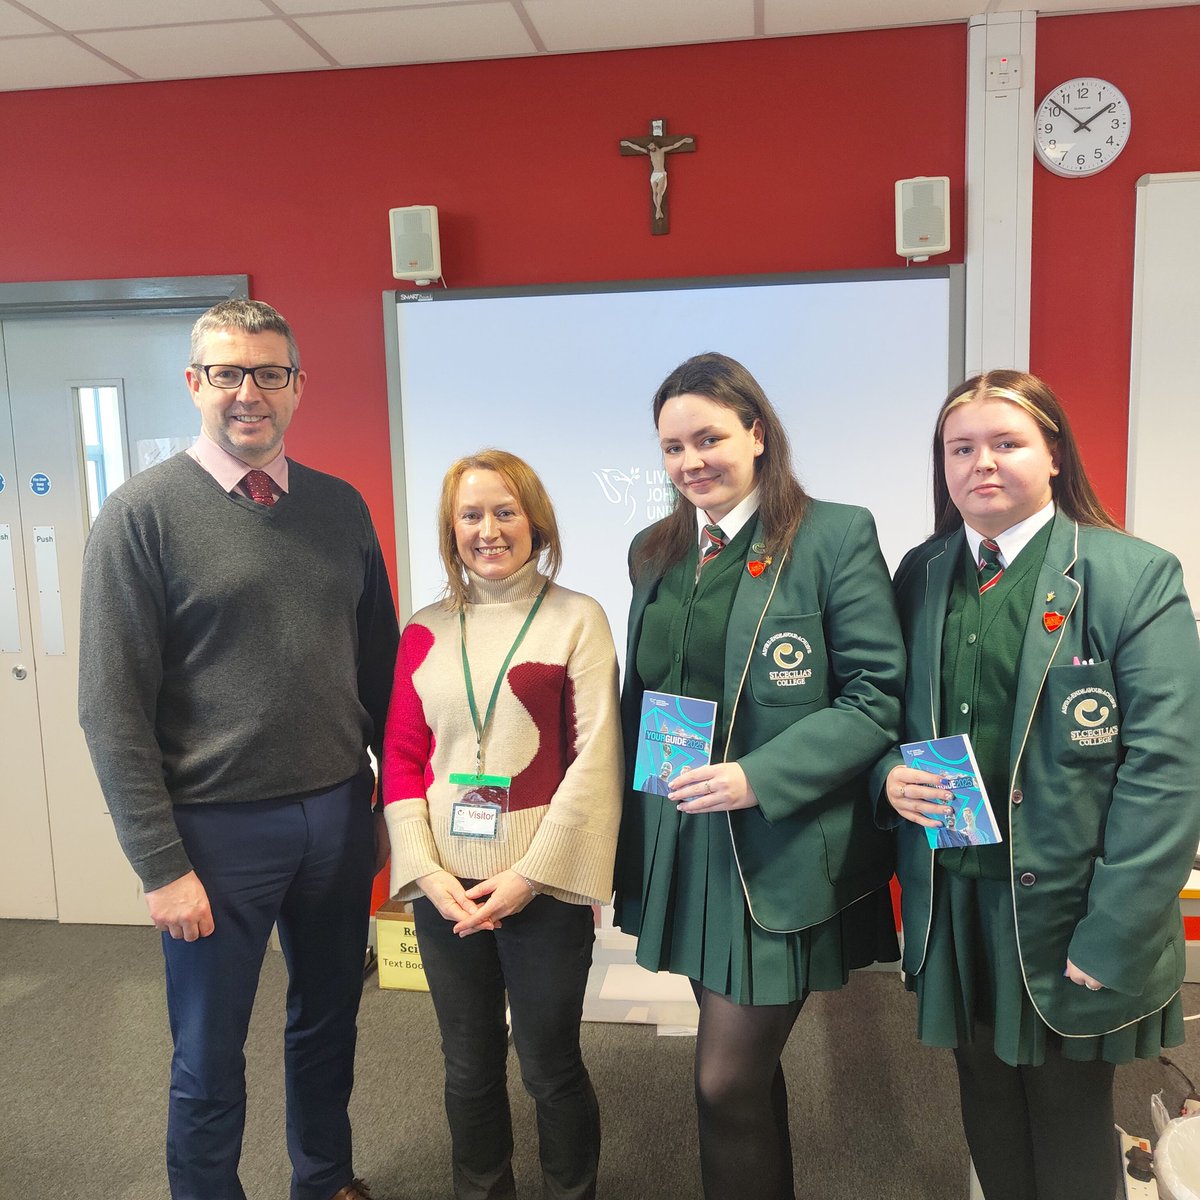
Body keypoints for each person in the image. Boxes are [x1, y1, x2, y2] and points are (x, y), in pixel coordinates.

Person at [78, 299, 399, 1200]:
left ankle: (325, 1177)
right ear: (195, 384)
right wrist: (159, 864)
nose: (247, 393)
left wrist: (384, 804)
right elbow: (110, 711)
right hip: (213, 838)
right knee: (210, 1048)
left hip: (336, 817)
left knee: (329, 1021)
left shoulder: (340, 507)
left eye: (268, 373)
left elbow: (378, 672)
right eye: (227, 373)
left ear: (297, 386)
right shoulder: (141, 516)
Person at [877, 370, 1200, 1200]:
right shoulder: (920, 573)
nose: (981, 463)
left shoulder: (1134, 574)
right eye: (961, 448)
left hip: (1072, 910)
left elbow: (1168, 771)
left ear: (1053, 453)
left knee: (1066, 1116)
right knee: (984, 1101)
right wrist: (889, 775)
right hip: (956, 898)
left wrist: (1114, 932)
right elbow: (878, 715)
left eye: (1007, 442)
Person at [612, 352, 905, 1200]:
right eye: (672, 447)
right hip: (685, 839)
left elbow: (874, 697)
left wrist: (756, 777)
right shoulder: (655, 549)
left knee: (723, 1080)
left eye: (708, 437)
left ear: (757, 433)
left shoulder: (831, 535)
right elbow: (648, 694)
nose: (690, 461)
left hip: (776, 840)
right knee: (741, 1068)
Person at [381, 449, 622, 1200]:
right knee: (468, 1064)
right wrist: (424, 871)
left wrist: (529, 875)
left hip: (542, 885)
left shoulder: (577, 617)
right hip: (446, 884)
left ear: (535, 522)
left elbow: (594, 758)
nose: (489, 530)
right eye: (471, 516)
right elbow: (401, 755)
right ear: (452, 533)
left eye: (505, 511)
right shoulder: (424, 629)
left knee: (550, 1065)